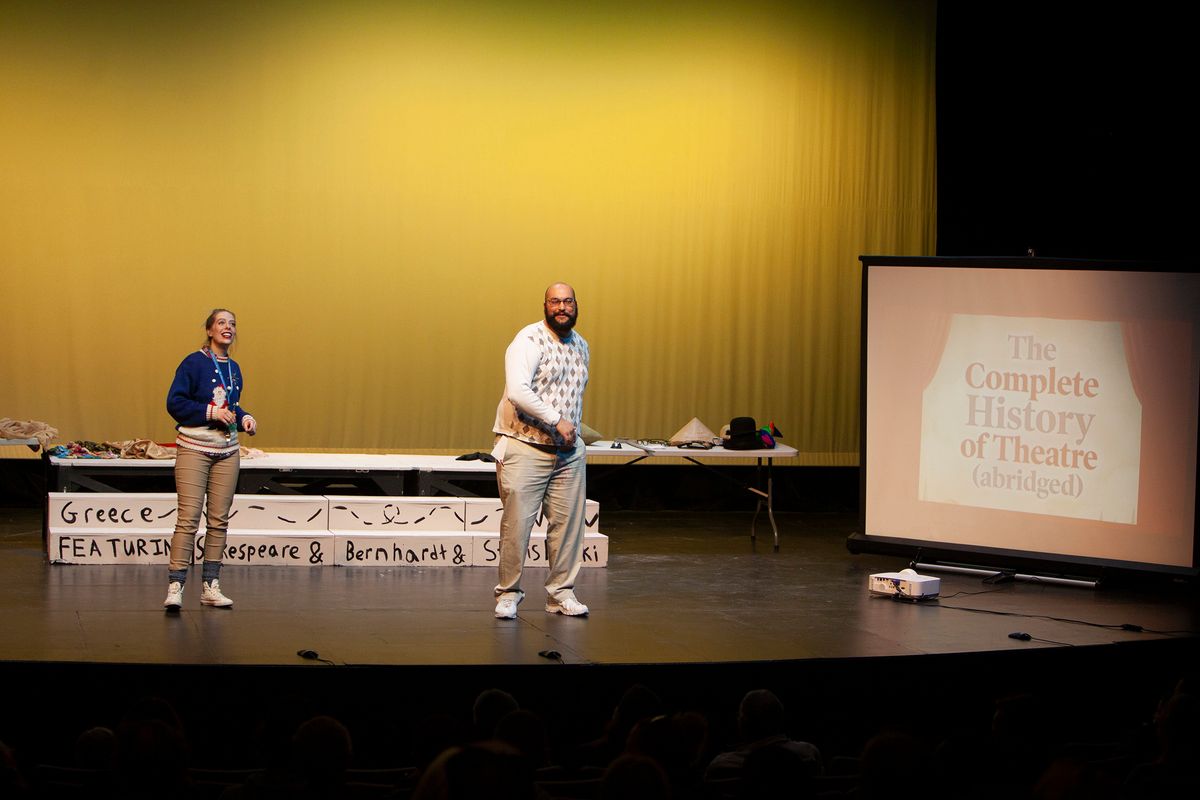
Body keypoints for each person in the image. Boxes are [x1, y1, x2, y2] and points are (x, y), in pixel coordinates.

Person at [491, 282, 591, 619]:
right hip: (524, 446)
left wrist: (573, 432)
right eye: (555, 302)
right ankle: (508, 594)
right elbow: (518, 391)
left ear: (576, 305)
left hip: (568, 453)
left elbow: (571, 395)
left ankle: (561, 594)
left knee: (567, 529)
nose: (562, 307)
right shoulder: (529, 340)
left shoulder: (581, 345)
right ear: (545, 305)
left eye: (568, 301)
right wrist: (556, 420)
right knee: (517, 527)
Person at [163, 308, 257, 610]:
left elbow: (232, 405)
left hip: (227, 450)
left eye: (232, 324)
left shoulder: (234, 368)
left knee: (219, 521)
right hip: (195, 447)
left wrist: (244, 417)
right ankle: (176, 586)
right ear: (209, 330)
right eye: (221, 323)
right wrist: (210, 412)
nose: (227, 327)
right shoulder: (193, 362)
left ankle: (210, 586)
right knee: (188, 519)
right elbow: (175, 402)